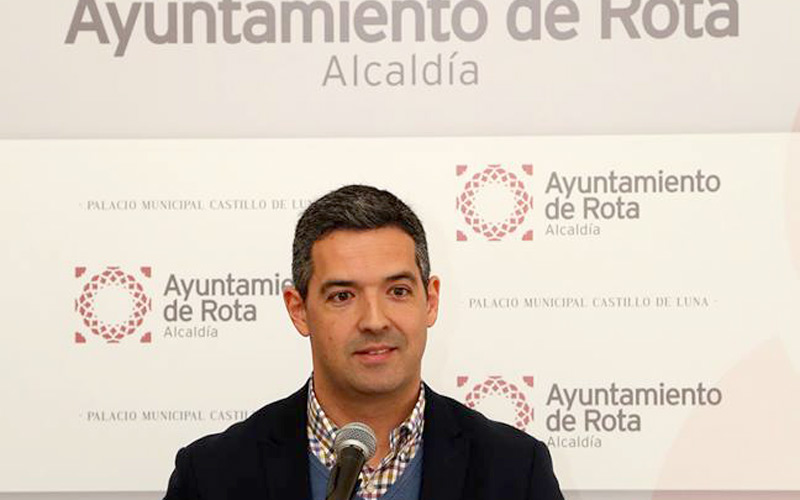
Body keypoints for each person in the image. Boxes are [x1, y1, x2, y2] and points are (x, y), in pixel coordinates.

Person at [164, 185, 563, 500]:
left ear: (431, 301)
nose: (374, 321)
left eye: (398, 291)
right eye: (343, 296)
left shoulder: (515, 470)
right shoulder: (213, 474)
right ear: (299, 310)